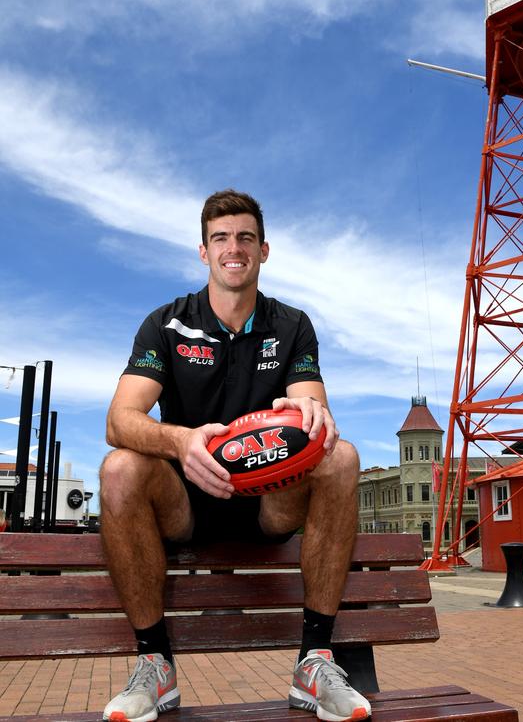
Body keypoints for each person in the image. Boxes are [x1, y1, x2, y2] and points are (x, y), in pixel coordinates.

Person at [100, 189, 369, 722]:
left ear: (263, 251)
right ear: (204, 252)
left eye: (245, 237)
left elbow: (311, 403)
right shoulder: (167, 324)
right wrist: (181, 440)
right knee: (120, 467)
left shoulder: (292, 325)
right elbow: (118, 421)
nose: (234, 248)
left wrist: (311, 415)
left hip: (268, 500)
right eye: (220, 238)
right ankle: (155, 665)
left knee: (341, 457)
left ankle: (314, 661)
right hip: (186, 500)